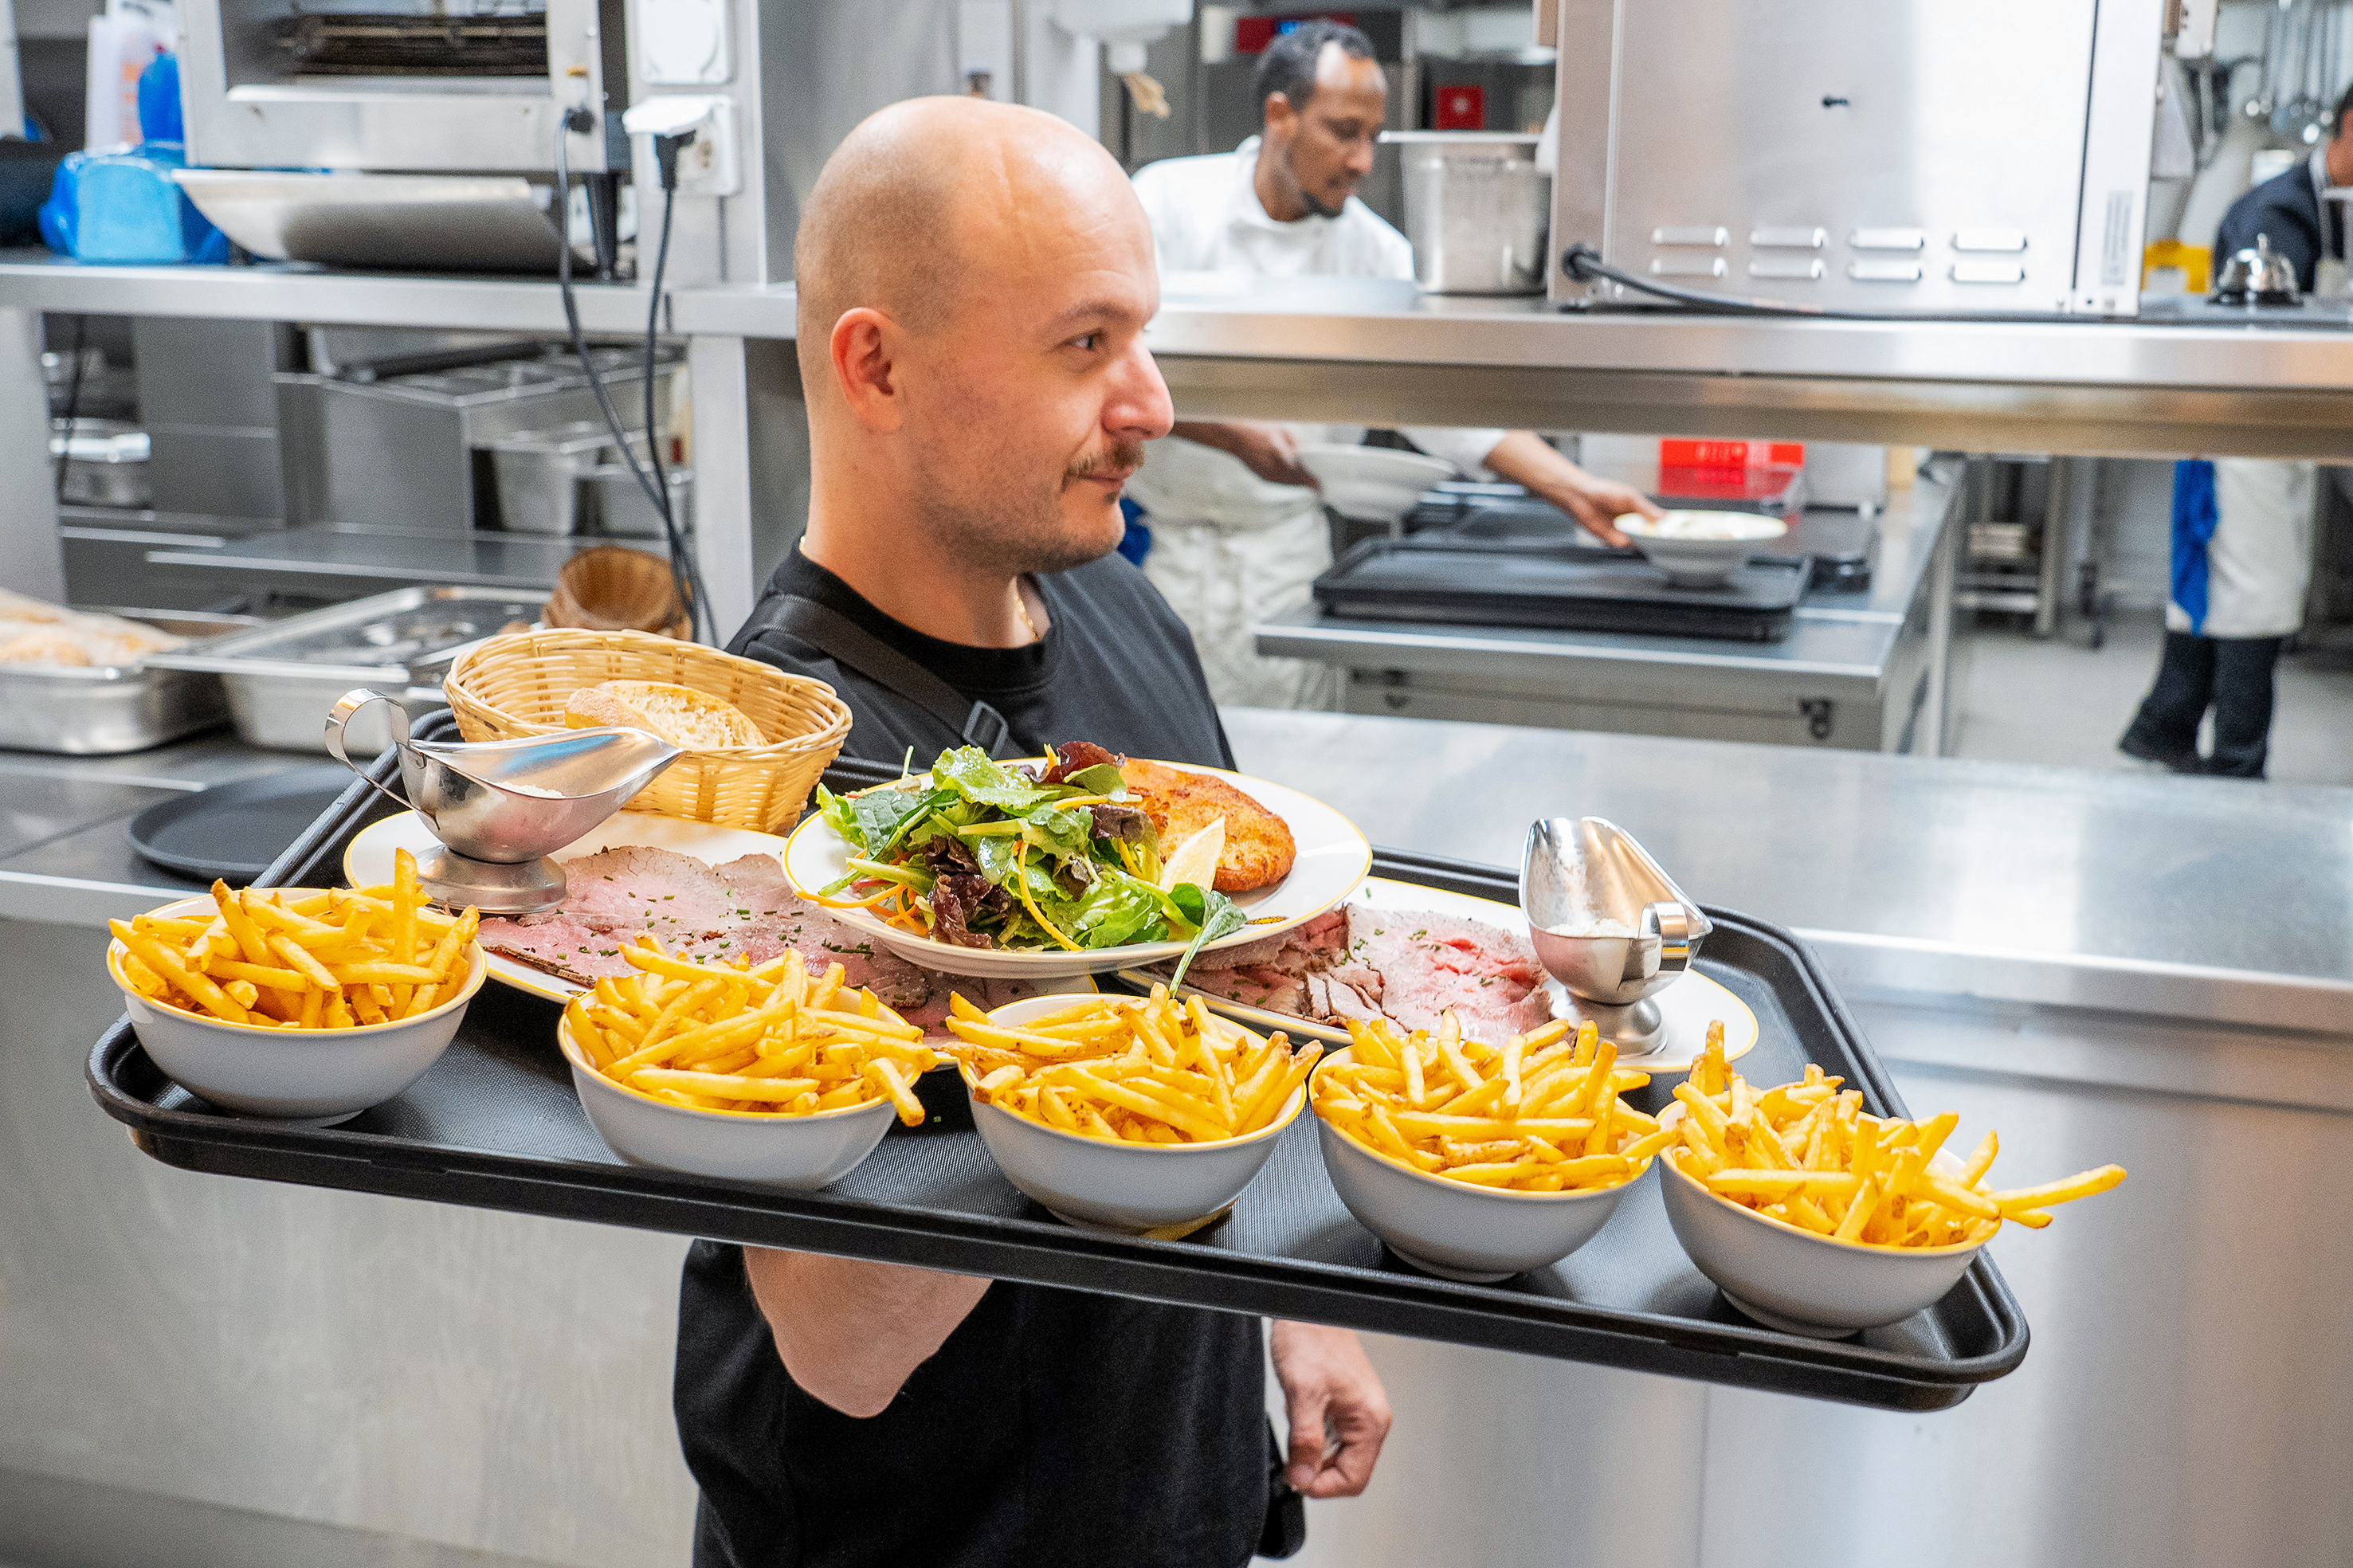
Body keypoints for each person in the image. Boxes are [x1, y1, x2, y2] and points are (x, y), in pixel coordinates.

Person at [688, 96, 1392, 1568]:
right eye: (1084, 346)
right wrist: (1046, 960)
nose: (1148, 403)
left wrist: (1293, 1290)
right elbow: (836, 1345)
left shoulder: (1120, 609)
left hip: (1171, 1496)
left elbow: (1229, 1009)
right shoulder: (786, 773)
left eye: (1140, 338)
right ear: (874, 366)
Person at [1124, 19, 1661, 708]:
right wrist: (1231, 434)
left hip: (1287, 557)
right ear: (1278, 114)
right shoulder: (1165, 203)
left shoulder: (1378, 254)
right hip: (1154, 552)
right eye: (1343, 131)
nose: (1362, 161)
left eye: (1373, 136)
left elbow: (1442, 410)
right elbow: (1106, 369)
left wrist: (1573, 489)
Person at [2120, 85, 2349, 777]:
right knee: (2254, 597)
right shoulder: (2275, 213)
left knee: (2220, 595)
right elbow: (2262, 338)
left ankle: (2163, 725)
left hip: (2288, 430)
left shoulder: (2332, 208)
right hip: (2246, 432)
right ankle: (2238, 758)